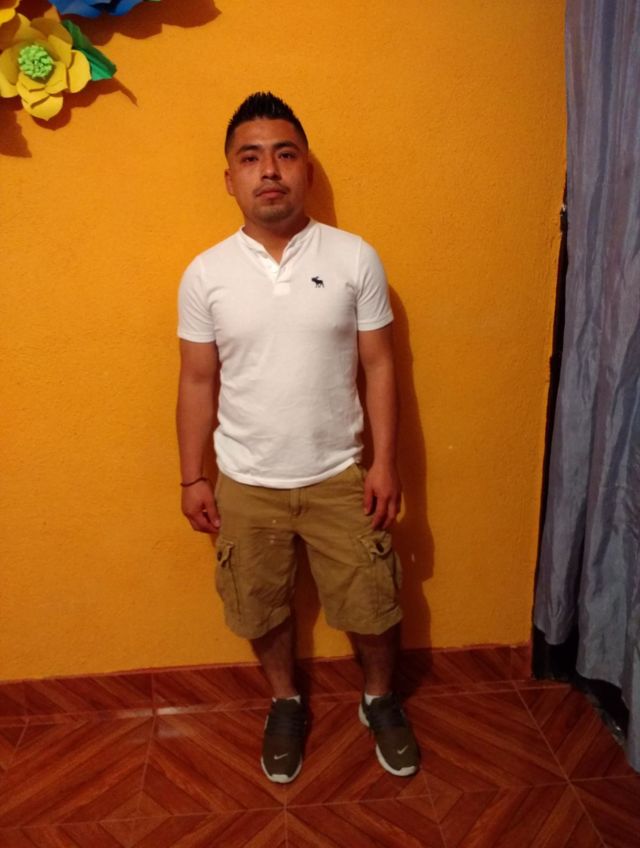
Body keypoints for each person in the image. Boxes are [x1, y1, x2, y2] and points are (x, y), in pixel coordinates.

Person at [176, 92, 419, 783]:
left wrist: (385, 462)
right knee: (259, 607)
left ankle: (379, 698)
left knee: (373, 603)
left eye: (284, 154)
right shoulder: (205, 274)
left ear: (305, 170)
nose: (269, 170)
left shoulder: (354, 257)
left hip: (341, 475)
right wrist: (193, 476)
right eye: (250, 158)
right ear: (230, 178)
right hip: (245, 481)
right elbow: (197, 380)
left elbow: (380, 365)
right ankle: (285, 701)